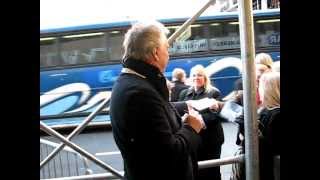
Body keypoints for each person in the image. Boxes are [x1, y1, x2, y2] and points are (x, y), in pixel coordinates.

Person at [110, 20, 205, 180]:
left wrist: (182, 111)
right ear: (155, 52)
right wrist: (191, 128)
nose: (169, 54)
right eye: (166, 48)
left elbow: (155, 121)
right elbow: (168, 155)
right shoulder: (140, 94)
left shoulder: (131, 82)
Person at [179, 64, 224, 180]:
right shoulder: (184, 94)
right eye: (194, 75)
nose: (196, 78)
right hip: (193, 139)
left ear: (205, 78)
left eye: (199, 75)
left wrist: (197, 119)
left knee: (212, 171)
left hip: (211, 140)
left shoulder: (214, 93)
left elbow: (216, 115)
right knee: (196, 170)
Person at [234, 71, 280, 180]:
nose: (258, 89)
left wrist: (250, 129)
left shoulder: (276, 114)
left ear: (269, 89)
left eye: (260, 86)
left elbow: (272, 146)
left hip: (266, 170)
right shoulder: (264, 110)